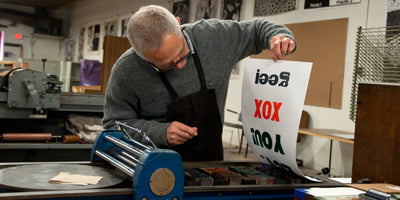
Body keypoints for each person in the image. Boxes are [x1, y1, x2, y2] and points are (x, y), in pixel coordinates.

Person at [102, 5, 296, 161]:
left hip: (211, 162)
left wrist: (278, 36)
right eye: (166, 65)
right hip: (153, 166)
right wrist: (160, 132)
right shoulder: (126, 70)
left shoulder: (214, 37)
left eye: (182, 53)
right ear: (141, 55)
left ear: (178, 24)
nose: (180, 65)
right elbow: (114, 125)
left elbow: (257, 30)